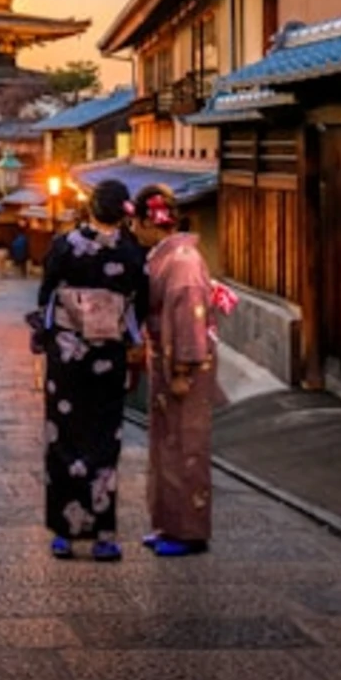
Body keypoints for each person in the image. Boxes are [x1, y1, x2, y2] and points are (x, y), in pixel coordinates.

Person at [35, 178, 147, 562]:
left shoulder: (64, 245)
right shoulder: (131, 252)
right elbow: (139, 303)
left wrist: (50, 333)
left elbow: (47, 295)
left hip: (67, 355)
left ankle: (64, 534)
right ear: (123, 213)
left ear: (90, 208)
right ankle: (103, 536)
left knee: (63, 436)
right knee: (103, 438)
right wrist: (126, 335)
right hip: (108, 355)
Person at [131, 184, 216, 557]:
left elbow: (189, 317)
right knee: (166, 442)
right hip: (165, 357)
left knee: (186, 444)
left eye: (136, 222)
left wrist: (182, 369)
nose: (134, 230)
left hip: (183, 364)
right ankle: (168, 523)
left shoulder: (182, 262)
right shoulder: (169, 255)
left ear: (150, 221)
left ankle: (189, 531)